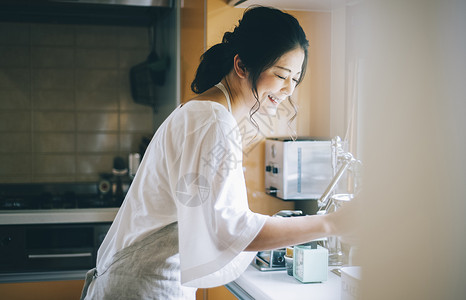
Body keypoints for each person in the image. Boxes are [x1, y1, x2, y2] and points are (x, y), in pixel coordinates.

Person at [81, 6, 351, 300]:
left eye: (295, 79)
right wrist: (331, 223)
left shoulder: (204, 113)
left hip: (139, 279)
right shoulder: (213, 121)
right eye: (281, 74)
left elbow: (213, 217)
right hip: (144, 286)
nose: (289, 89)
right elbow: (229, 230)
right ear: (242, 66)